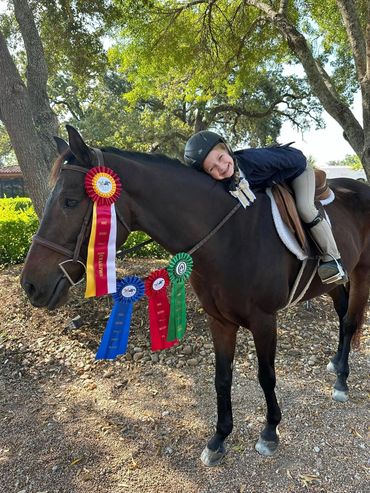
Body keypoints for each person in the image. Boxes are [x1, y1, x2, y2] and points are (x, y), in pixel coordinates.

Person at [183, 130, 348, 285]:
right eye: (212, 168)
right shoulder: (225, 179)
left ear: (227, 149)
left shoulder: (254, 159)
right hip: (272, 179)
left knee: (305, 208)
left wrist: (274, 180)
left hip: (297, 171)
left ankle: (334, 260)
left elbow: (297, 159)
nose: (221, 167)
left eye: (220, 158)